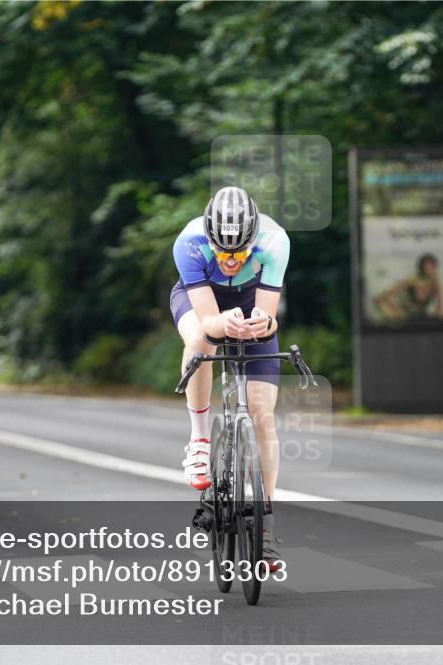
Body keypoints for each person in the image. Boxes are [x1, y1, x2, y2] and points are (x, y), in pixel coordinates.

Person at [170, 186, 289, 569]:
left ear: (254, 237)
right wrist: (223, 324)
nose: (233, 259)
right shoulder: (189, 244)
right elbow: (208, 322)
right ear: (209, 238)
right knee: (200, 340)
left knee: (262, 414)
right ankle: (200, 439)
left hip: (249, 300)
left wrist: (261, 324)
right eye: (223, 250)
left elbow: (269, 317)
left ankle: (266, 526)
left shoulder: (275, 242)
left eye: (241, 250)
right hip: (201, 300)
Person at [373, 252, 443, 322]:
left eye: (432, 266)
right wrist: (397, 313)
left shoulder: (435, 283)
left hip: (421, 317)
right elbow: (381, 298)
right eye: (427, 266)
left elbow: (440, 312)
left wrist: (438, 284)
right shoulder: (412, 280)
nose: (429, 269)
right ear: (421, 267)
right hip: (404, 316)